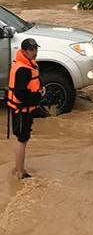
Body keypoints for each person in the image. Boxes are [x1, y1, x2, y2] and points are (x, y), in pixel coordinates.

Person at [7, 38, 44, 179]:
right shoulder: (22, 69)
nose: (35, 52)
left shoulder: (28, 64)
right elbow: (19, 93)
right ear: (24, 51)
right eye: (31, 50)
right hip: (21, 110)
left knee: (23, 139)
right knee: (22, 139)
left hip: (25, 110)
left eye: (36, 49)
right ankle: (20, 172)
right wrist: (37, 97)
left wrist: (40, 90)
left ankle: (18, 168)